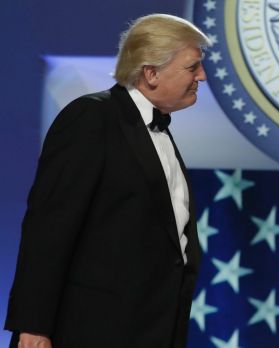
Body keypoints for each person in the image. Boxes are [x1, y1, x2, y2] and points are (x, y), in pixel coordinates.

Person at [4, 14, 211, 348]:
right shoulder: (91, 118)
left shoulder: (158, 132)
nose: (201, 75)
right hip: (93, 331)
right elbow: (50, 227)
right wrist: (33, 325)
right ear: (151, 72)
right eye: (192, 67)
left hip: (153, 331)